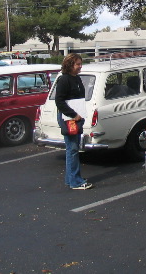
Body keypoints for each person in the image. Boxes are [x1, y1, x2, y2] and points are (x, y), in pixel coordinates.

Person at [55, 53, 92, 190]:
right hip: (69, 118)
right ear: (70, 65)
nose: (80, 67)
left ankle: (71, 178)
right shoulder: (64, 80)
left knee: (73, 148)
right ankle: (75, 181)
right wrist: (73, 114)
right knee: (73, 149)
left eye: (80, 64)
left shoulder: (76, 79)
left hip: (77, 117)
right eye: (77, 64)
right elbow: (59, 101)